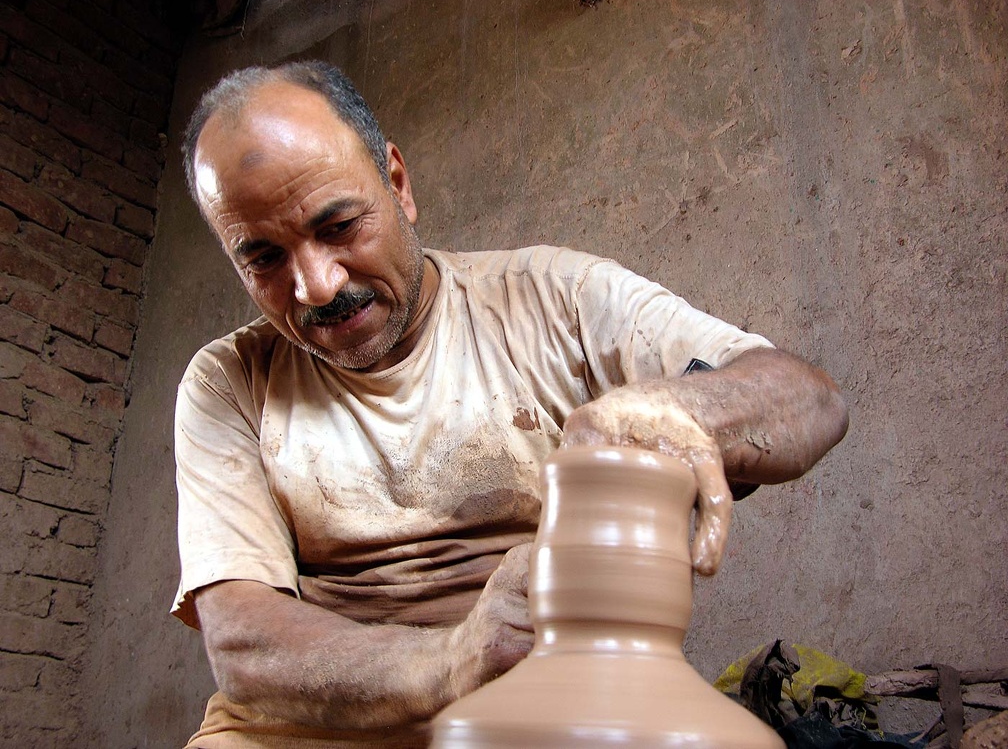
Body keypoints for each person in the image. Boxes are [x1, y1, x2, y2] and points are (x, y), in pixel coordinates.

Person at [172, 60, 848, 748]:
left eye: (340, 226)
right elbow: (244, 644)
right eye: (263, 260)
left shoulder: (554, 299)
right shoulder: (230, 382)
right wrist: (453, 659)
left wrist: (688, 410)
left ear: (398, 184)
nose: (316, 285)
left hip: (553, 706)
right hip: (302, 731)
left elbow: (811, 399)